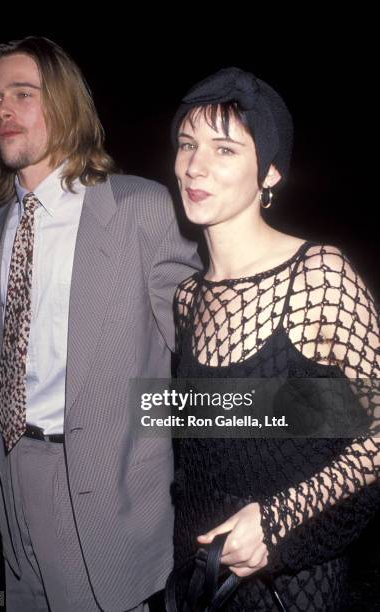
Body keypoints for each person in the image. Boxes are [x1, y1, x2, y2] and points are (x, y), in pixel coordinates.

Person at [0, 36, 200, 612]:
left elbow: (205, 350)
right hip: (11, 485)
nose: (2, 109)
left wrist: (310, 408)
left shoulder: (138, 211)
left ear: (64, 105)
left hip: (106, 494)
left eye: (23, 94)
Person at [170, 66, 380, 610]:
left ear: (270, 174)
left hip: (293, 583)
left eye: (224, 150)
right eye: (187, 143)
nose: (194, 165)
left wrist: (277, 521)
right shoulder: (188, 297)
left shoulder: (319, 276)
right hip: (202, 575)